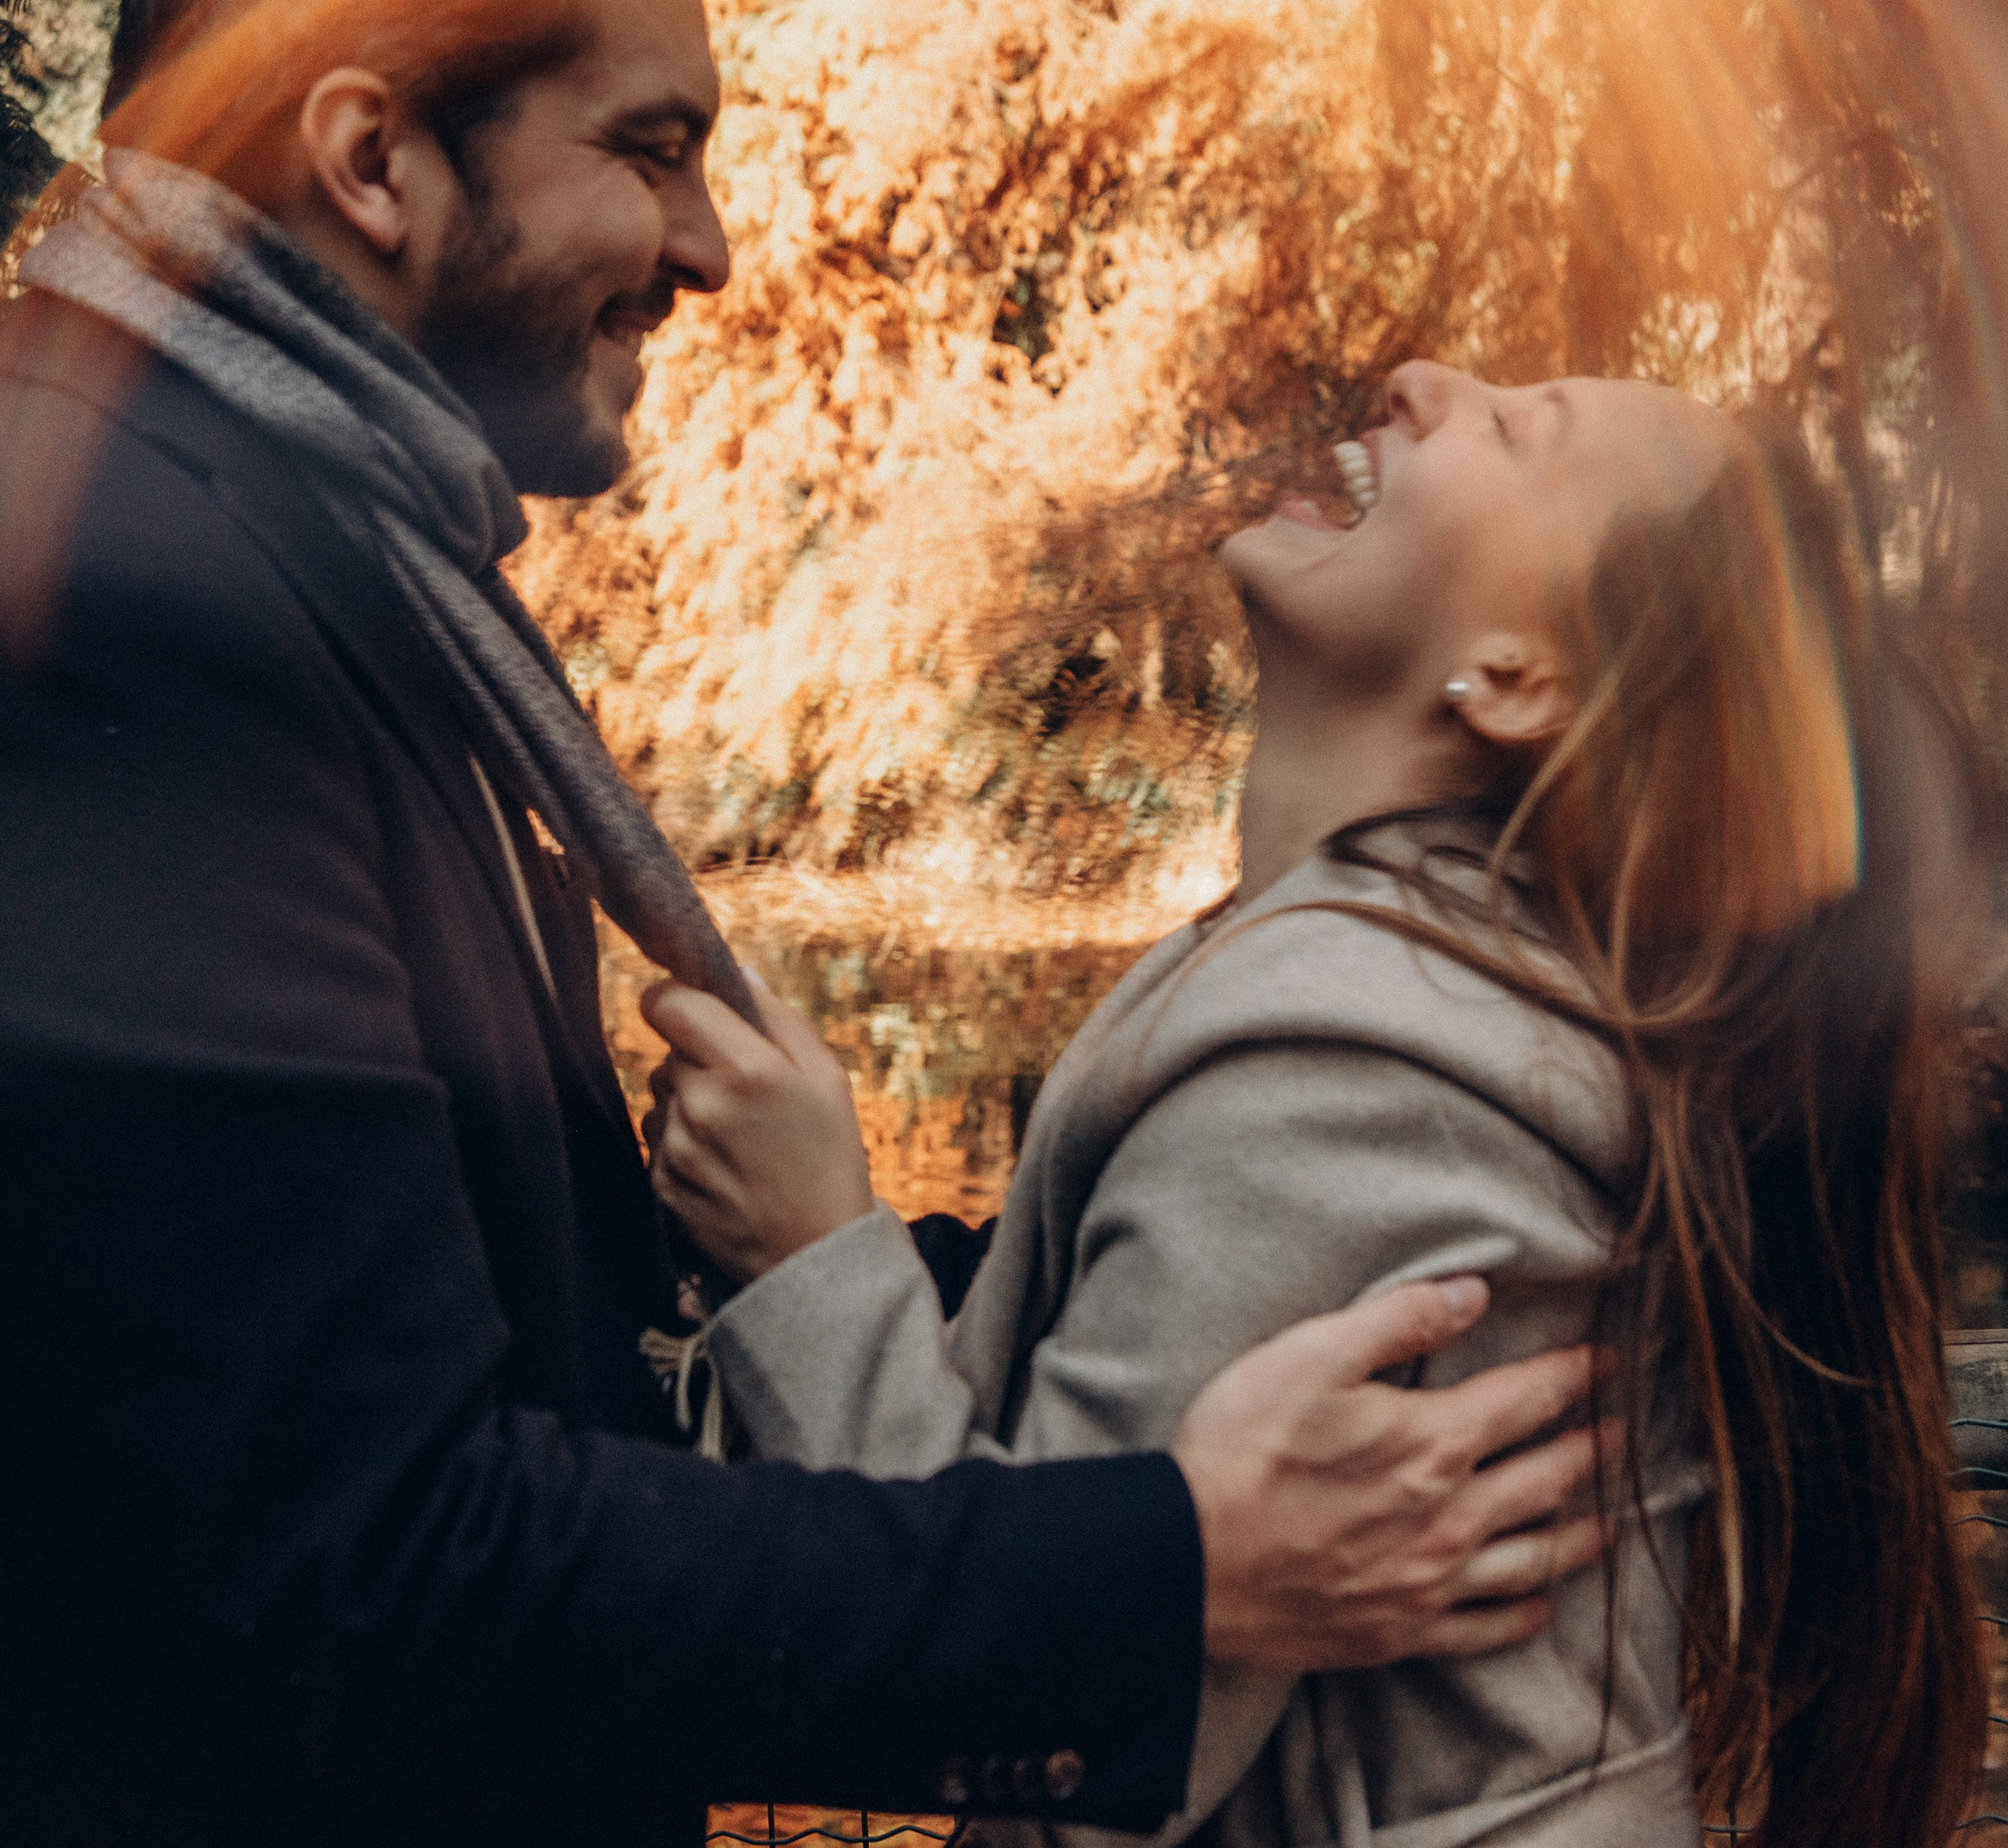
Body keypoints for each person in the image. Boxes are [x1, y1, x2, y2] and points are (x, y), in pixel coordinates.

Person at [0, 0, 1618, 1848]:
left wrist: (1041, 1285)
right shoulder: (94, 615)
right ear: (372, 160)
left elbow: (507, 1327)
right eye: (650, 144)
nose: (716, 244)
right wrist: (1176, 1562)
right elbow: (402, 1583)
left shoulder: (272, 554)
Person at [643, 361, 1990, 1847]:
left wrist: (809, 1256)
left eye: (1519, 428)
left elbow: (1061, 1750)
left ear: (1518, 678)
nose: (1423, 381)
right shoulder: (1420, 1008)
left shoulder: (1349, 1072)